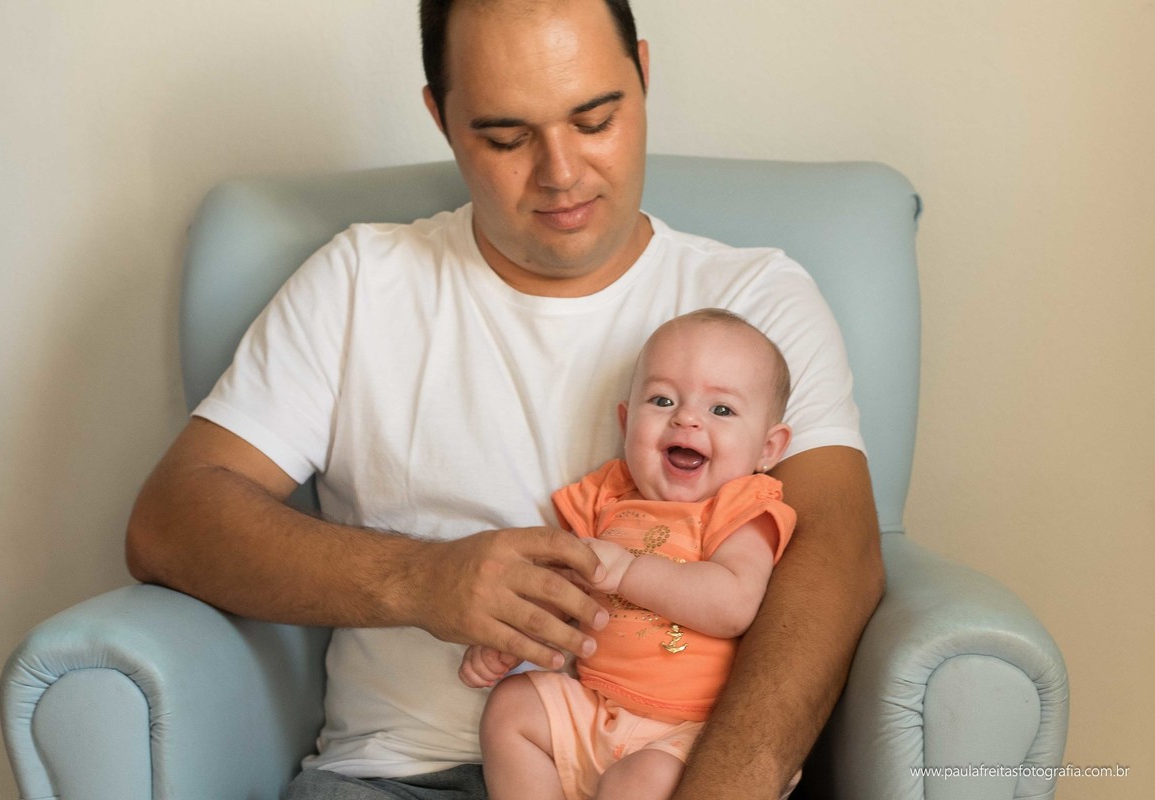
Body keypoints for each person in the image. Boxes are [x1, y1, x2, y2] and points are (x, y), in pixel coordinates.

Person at [124, 1, 885, 799]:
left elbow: (839, 554)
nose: (561, 172)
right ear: (441, 119)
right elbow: (169, 521)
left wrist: (725, 787)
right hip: (400, 777)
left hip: (679, 766)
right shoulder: (360, 283)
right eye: (506, 136)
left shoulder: (755, 300)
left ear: (644, 77)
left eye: (595, 119)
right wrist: (421, 581)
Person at [459, 309, 801, 800]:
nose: (686, 418)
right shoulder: (604, 499)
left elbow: (733, 605)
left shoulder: (743, 507)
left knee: (637, 783)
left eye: (721, 410)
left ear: (769, 446)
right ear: (626, 421)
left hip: (685, 732)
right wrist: (513, 639)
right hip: (596, 705)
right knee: (513, 706)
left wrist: (629, 571)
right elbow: (561, 589)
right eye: (662, 400)